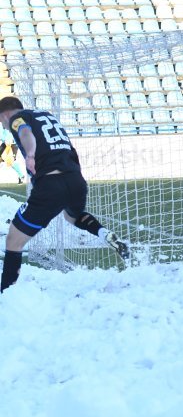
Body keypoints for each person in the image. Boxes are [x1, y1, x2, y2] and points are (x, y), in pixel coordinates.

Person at [0, 97, 129, 293]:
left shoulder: (17, 119)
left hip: (50, 185)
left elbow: (26, 134)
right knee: (73, 216)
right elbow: (71, 150)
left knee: (13, 241)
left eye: (1, 122)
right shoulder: (47, 117)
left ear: (5, 114)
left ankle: (6, 293)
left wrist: (31, 155)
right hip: (75, 180)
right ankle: (104, 233)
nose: (4, 126)